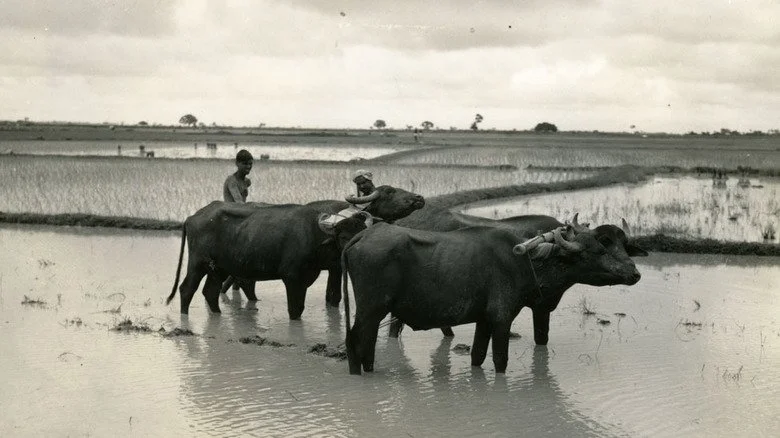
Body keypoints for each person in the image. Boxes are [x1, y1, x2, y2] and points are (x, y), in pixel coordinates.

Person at [223, 149, 253, 292]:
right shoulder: (232, 181)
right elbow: (238, 202)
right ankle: (223, 290)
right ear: (237, 163)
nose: (248, 167)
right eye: (245, 164)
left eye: (250, 164)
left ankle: (235, 290)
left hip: (241, 218)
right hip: (230, 218)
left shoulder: (247, 181)